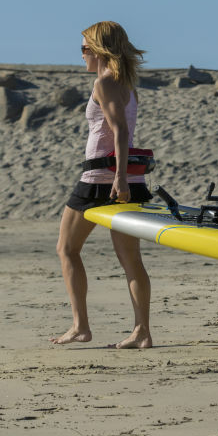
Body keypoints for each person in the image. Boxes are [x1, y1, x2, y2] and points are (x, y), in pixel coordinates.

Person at [51, 21, 154, 349]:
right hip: (129, 179)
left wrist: (119, 177)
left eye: (84, 48)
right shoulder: (128, 85)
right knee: (131, 259)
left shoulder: (105, 83)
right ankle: (142, 332)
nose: (82, 54)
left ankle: (80, 326)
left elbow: (120, 130)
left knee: (67, 249)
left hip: (99, 181)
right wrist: (124, 178)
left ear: (99, 50)